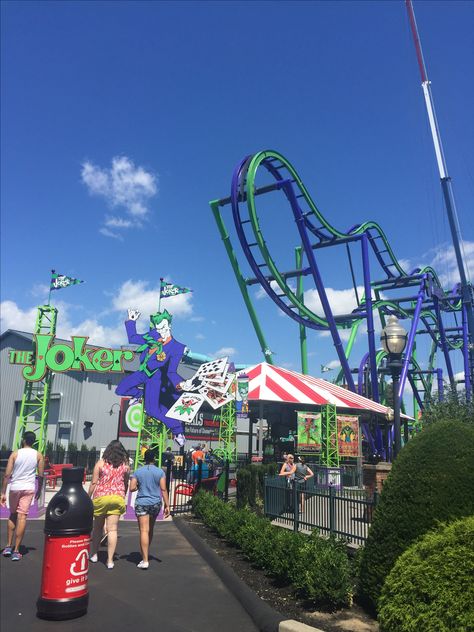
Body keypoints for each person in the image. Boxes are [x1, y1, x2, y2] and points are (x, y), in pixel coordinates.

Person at [116, 309, 188, 447]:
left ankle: (178, 431)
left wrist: (181, 384)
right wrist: (131, 321)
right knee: (121, 389)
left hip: (156, 379)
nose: (160, 331)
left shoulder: (177, 347)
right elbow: (133, 339)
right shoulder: (153, 334)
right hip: (142, 372)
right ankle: (139, 394)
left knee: (152, 410)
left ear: (169, 326)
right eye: (158, 328)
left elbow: (172, 372)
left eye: (163, 328)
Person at [1, 431, 44, 561]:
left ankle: (8, 546)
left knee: (12, 514)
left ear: (24, 440)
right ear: (34, 441)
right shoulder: (38, 455)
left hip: (15, 487)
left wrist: (2, 492)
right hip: (29, 488)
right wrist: (39, 490)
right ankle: (17, 550)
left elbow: (7, 474)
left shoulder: (15, 453)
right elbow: (41, 475)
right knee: (22, 517)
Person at [88, 440, 130, 569]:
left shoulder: (100, 464)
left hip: (101, 497)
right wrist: (123, 494)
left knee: (97, 528)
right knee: (112, 529)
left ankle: (94, 554)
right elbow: (126, 482)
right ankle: (110, 560)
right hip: (117, 498)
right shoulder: (125, 466)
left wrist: (88, 496)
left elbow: (94, 483)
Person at [129, 449, 170, 569]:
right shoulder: (160, 472)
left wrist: (138, 486)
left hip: (142, 502)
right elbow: (163, 489)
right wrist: (167, 505)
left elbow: (131, 488)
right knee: (150, 529)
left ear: (144, 458)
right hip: (156, 502)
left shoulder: (138, 472)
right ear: (154, 459)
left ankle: (145, 559)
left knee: (143, 530)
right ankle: (146, 551)